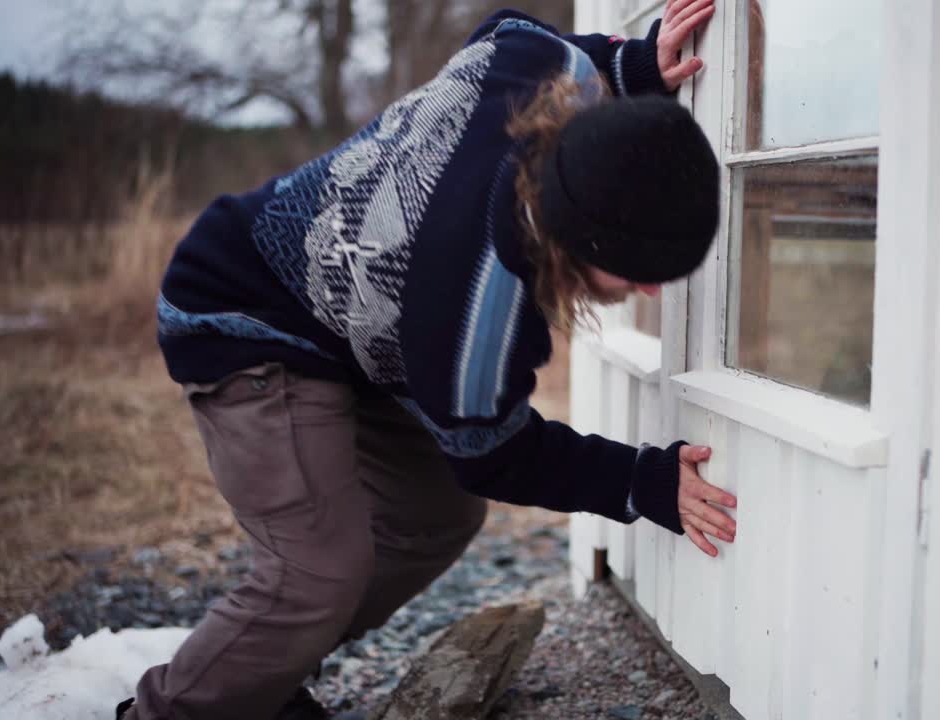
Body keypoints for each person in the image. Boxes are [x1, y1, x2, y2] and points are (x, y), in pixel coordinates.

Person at [118, 1, 736, 718]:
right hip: (244, 315)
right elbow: (497, 454)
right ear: (581, 243)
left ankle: (253, 675)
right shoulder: (474, 308)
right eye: (638, 271)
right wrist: (643, 480)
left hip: (352, 327)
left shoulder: (549, 70)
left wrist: (631, 64)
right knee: (318, 571)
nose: (652, 288)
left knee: (436, 515)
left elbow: (504, 30)